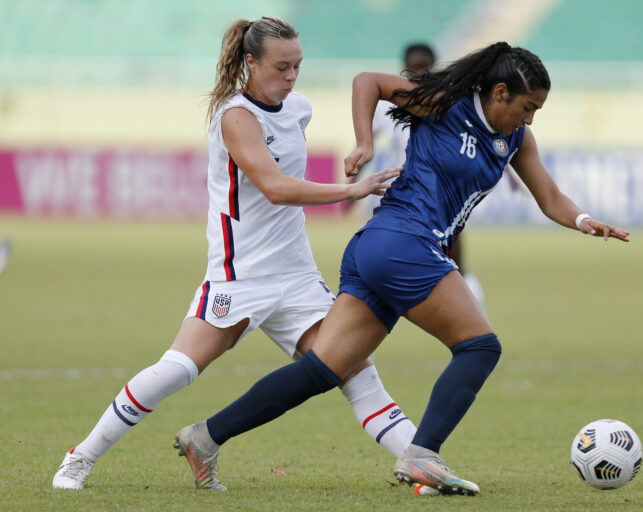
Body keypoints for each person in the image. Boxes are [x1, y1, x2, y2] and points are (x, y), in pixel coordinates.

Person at [174, 42, 630, 496]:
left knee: (323, 370)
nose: (530, 119)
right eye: (527, 107)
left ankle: (206, 437)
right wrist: (365, 143)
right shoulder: (445, 104)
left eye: (538, 111)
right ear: (499, 91)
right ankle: (422, 455)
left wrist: (584, 220)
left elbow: (549, 198)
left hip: (380, 248)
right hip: (403, 244)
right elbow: (366, 82)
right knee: (480, 348)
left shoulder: (516, 138)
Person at [52, 17, 423, 491]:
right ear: (251, 62)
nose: (291, 77)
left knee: (354, 372)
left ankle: (420, 467)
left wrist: (358, 151)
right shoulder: (235, 116)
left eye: (298, 67)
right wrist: (351, 190)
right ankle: (79, 457)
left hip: (297, 277)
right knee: (177, 371)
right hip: (239, 276)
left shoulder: (298, 108)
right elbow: (274, 186)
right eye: (281, 67)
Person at [351, 42, 486, 305]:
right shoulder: (388, 104)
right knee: (374, 249)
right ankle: (366, 306)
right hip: (394, 189)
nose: (418, 76)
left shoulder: (445, 103)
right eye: (412, 71)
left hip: (439, 192)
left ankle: (470, 303)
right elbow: (366, 140)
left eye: (423, 70)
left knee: (454, 254)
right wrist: (352, 180)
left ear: (433, 69)